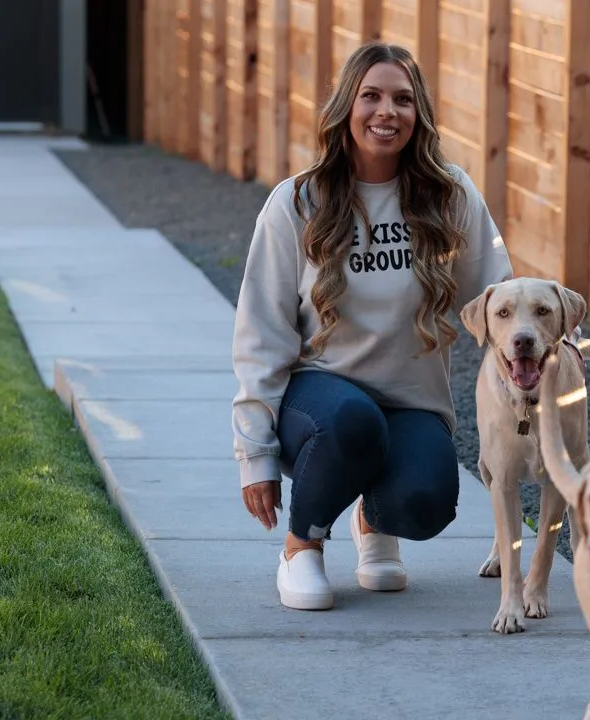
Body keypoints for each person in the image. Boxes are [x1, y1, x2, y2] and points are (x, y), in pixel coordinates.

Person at [231, 41, 513, 611]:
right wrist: (254, 453)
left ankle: (374, 519)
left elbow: (499, 299)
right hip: (319, 402)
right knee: (354, 424)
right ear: (346, 106)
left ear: (420, 114)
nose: (387, 112)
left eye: (403, 100)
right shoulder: (298, 201)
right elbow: (260, 330)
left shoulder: (450, 195)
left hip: (412, 402)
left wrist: (550, 351)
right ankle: (301, 546)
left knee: (429, 501)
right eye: (372, 96)